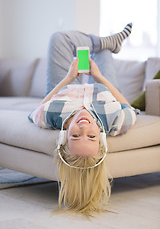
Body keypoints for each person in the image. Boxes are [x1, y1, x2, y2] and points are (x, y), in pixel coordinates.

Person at [28, 23, 138, 215]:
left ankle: (107, 42)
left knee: (59, 38)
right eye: (92, 137)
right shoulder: (114, 122)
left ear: (64, 137)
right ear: (102, 138)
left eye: (76, 136)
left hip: (66, 89)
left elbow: (34, 112)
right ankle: (107, 43)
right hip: (103, 88)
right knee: (103, 52)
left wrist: (69, 78)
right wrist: (100, 78)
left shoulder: (54, 117)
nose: (83, 127)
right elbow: (130, 109)